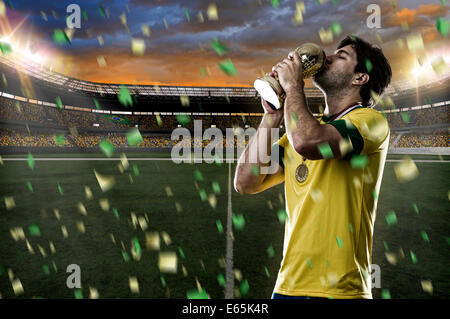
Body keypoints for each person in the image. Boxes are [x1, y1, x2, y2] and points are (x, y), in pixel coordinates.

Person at [234, 35, 392, 299]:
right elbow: (245, 182)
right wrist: (271, 116)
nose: (327, 58)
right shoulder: (300, 132)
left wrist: (294, 87)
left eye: (341, 56)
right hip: (287, 287)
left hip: (340, 291)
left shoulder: (371, 122)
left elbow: (309, 141)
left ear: (360, 78)